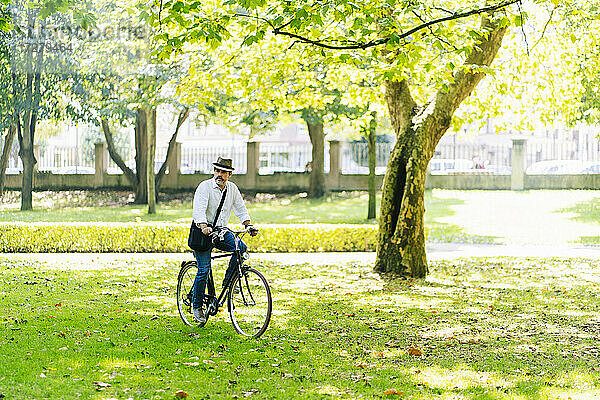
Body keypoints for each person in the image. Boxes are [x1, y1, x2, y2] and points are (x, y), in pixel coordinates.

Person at [191, 156, 258, 325]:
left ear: (229, 174)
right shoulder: (205, 187)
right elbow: (199, 209)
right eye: (217, 171)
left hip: (220, 232)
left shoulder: (232, 189)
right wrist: (204, 226)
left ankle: (229, 283)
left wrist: (248, 225)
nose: (219, 174)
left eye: (223, 172)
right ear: (214, 171)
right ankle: (197, 306)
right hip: (202, 232)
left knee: (241, 248)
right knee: (204, 269)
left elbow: (240, 208)